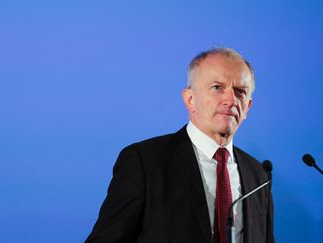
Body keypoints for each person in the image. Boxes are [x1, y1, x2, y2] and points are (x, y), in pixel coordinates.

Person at [85, 48, 274, 243]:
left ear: (248, 107)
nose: (231, 100)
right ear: (190, 99)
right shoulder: (145, 162)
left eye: (240, 91)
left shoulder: (258, 175)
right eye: (217, 87)